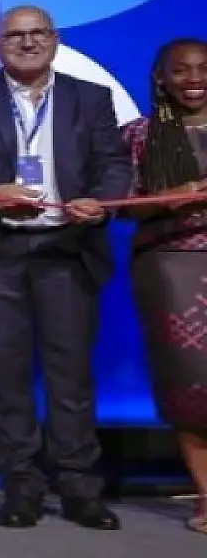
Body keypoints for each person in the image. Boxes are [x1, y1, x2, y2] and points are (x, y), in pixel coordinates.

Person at [0, 5, 129, 530]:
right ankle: (21, 487)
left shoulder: (90, 97)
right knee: (7, 379)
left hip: (67, 248)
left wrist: (101, 201)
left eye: (37, 33)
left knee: (71, 379)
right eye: (15, 35)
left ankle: (79, 488)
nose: (27, 43)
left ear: (54, 39)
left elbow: (114, 163)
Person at [120, 37, 207, 535]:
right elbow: (119, 204)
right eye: (181, 70)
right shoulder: (139, 135)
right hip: (171, 268)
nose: (194, 79)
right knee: (191, 388)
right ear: (161, 77)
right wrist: (170, 198)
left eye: (203, 68)